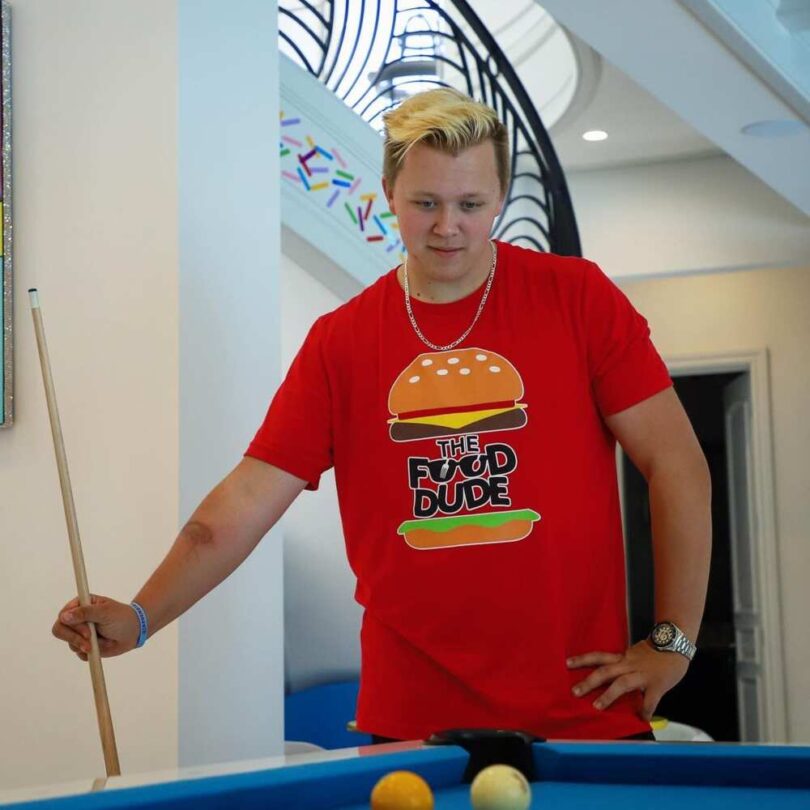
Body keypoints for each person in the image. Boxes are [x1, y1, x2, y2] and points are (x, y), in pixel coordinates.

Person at [53, 88, 711, 742]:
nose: (447, 226)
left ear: (501, 198)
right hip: (413, 722)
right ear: (390, 193)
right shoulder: (340, 342)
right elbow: (244, 501)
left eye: (470, 204)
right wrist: (141, 616)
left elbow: (675, 463)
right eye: (425, 203)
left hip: (582, 714)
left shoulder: (578, 298)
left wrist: (674, 641)